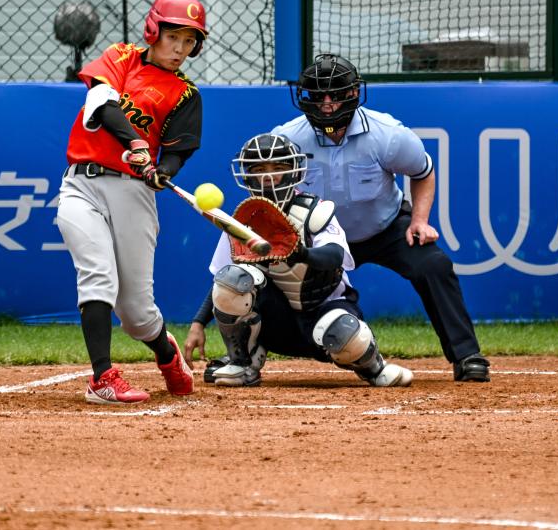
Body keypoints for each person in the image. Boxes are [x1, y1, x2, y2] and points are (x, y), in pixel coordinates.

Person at [274, 53, 489, 382]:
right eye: (318, 96)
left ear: (353, 93)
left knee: (434, 265)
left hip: (385, 228)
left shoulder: (387, 134)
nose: (327, 104)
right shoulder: (288, 139)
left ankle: (467, 356)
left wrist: (419, 220)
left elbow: (423, 172)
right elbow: (272, 190)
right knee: (273, 277)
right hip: (321, 237)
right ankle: (245, 356)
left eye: (335, 94)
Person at [56, 0, 208, 404]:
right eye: (173, 37)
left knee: (137, 314)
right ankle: (102, 377)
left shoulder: (186, 94)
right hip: (81, 185)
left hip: (133, 192)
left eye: (189, 41)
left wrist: (162, 173)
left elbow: (176, 151)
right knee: (97, 274)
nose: (180, 49)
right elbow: (102, 104)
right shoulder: (120, 56)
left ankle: (166, 353)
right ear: (153, 31)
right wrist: (135, 141)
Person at [183, 133, 413, 388]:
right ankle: (244, 362)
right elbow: (224, 281)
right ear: (247, 175)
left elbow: (335, 256)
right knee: (233, 278)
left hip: (323, 312)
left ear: (294, 171)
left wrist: (301, 253)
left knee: (344, 333)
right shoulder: (244, 220)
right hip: (276, 324)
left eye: (277, 168)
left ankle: (373, 367)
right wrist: (198, 324)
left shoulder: (315, 211)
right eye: (259, 170)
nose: (268, 177)